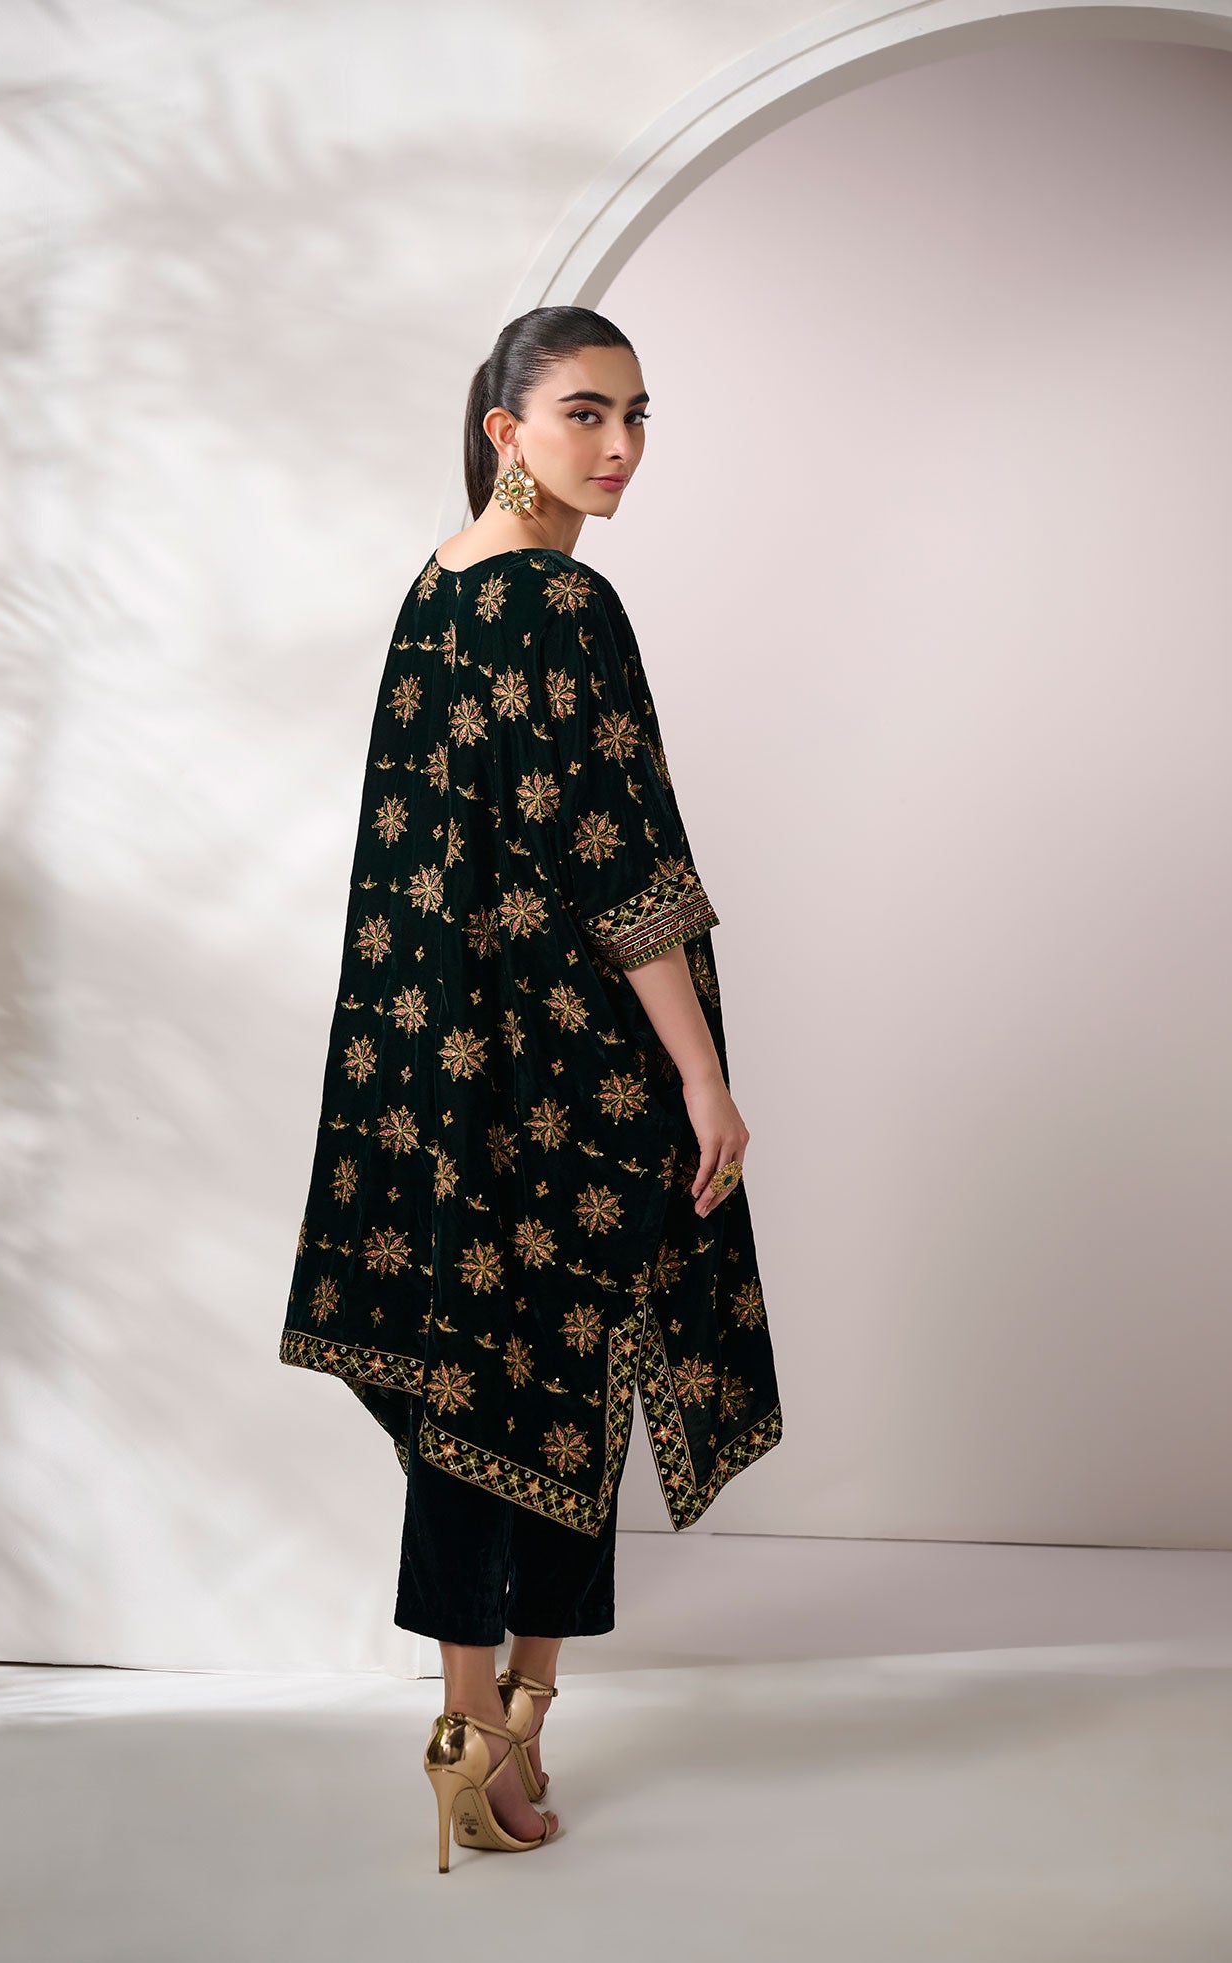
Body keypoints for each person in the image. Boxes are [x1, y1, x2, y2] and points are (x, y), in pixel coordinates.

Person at [279, 305, 783, 1867]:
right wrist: (700, 1074)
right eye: (584, 414)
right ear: (505, 429)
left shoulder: (436, 589)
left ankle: (472, 1732)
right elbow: (617, 861)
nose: (619, 446)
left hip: (436, 1072)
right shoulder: (565, 600)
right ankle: (518, 1723)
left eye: (637, 416)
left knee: (468, 1383)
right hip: (570, 1066)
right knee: (573, 1366)